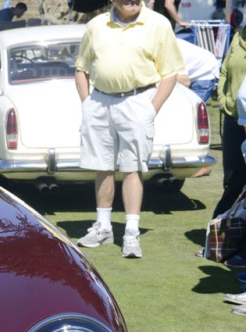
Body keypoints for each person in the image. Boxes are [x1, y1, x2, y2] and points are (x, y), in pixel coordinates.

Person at [74, 0, 183, 259]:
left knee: (133, 167)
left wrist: (151, 108)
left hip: (138, 100)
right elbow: (82, 68)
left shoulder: (158, 23)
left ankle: (131, 232)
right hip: (99, 101)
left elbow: (170, 73)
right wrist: (87, 102)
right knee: (102, 165)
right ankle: (103, 226)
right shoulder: (95, 24)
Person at [213, 24, 246, 217]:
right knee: (232, 181)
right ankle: (218, 238)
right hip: (233, 118)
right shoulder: (237, 36)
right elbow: (224, 71)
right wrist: (224, 99)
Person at [176, 38, 220, 103]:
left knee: (194, 109)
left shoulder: (173, 51)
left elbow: (185, 82)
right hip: (190, 73)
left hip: (204, 73)